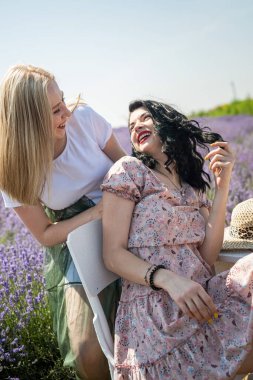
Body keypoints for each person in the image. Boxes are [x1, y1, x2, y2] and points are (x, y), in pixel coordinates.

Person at [101, 99, 253, 379]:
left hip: (202, 299)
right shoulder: (129, 171)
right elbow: (112, 254)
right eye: (132, 125)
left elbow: (207, 256)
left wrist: (223, 185)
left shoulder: (189, 183)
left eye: (145, 119)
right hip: (156, 315)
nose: (136, 127)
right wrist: (169, 279)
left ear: (166, 123)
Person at [0, 64, 126, 380]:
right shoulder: (13, 169)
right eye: (56, 110)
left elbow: (127, 166)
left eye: (63, 102)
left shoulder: (84, 120)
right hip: (77, 239)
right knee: (86, 350)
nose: (66, 113)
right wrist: (97, 213)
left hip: (127, 219)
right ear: (28, 123)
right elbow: (44, 233)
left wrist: (114, 208)